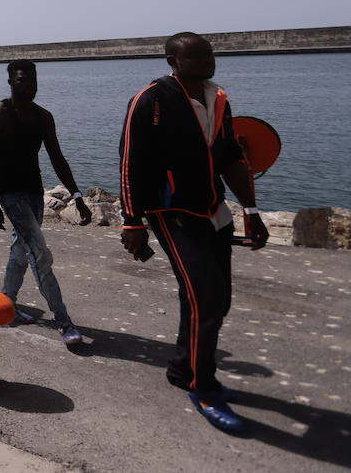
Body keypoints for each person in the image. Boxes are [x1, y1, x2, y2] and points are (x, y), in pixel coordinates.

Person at [119, 32, 270, 435]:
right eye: (196, 56)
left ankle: (183, 367)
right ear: (173, 60)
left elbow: (231, 157)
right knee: (208, 295)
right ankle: (203, 388)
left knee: (212, 296)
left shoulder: (218, 98)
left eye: (209, 53)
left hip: (213, 209)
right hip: (170, 211)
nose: (207, 60)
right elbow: (131, 162)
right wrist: (132, 220)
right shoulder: (149, 101)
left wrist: (251, 210)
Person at [0, 60, 91, 345]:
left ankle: (6, 304)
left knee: (21, 250)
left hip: (33, 192)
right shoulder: (0, 113)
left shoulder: (43, 117)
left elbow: (57, 158)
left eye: (32, 79)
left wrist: (77, 196)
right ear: (10, 82)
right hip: (10, 194)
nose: (29, 84)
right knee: (40, 254)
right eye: (21, 79)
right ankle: (63, 320)